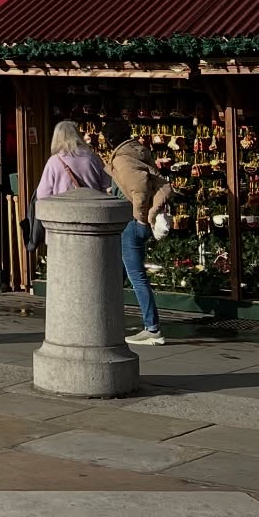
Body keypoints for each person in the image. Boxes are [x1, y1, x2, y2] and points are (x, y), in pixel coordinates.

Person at [98, 118, 169, 347]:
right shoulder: (137, 152)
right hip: (131, 222)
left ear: (111, 139)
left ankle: (153, 329)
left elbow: (138, 190)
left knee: (136, 276)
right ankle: (109, 319)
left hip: (130, 223)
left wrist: (139, 220)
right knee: (118, 274)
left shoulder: (122, 158)